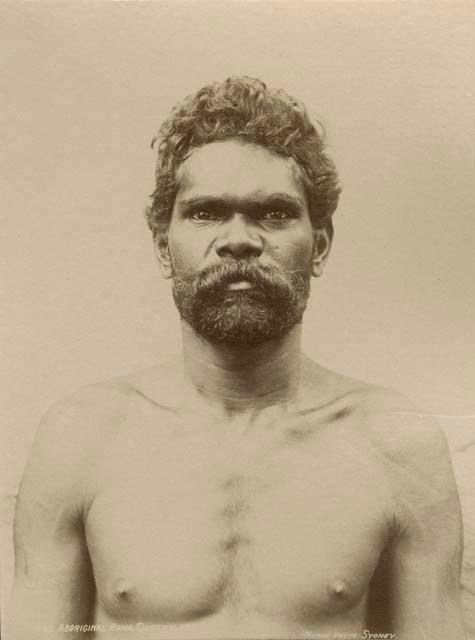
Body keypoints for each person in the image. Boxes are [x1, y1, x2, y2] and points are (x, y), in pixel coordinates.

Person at [8, 77, 465, 640]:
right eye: (206, 213)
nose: (239, 240)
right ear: (162, 246)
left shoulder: (397, 445)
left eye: (273, 213)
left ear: (318, 246)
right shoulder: (81, 438)